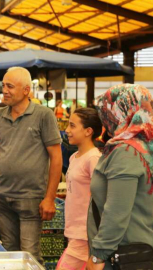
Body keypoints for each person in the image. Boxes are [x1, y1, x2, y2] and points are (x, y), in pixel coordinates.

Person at [0, 67, 62, 263]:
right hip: (2, 196)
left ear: (26, 90)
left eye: (10, 86)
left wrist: (50, 197)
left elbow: (57, 158)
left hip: (30, 198)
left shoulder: (44, 115)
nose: (5, 90)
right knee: (9, 252)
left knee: (30, 255)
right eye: (3, 86)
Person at [86, 84, 153, 270]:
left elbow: (116, 212)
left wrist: (97, 256)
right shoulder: (146, 147)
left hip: (124, 256)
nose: (105, 120)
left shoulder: (126, 151)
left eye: (107, 113)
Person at [56, 108, 102, 270]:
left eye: (72, 126)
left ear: (88, 131)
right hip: (73, 231)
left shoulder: (94, 158)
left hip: (84, 234)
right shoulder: (73, 157)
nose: (67, 130)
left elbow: (101, 199)